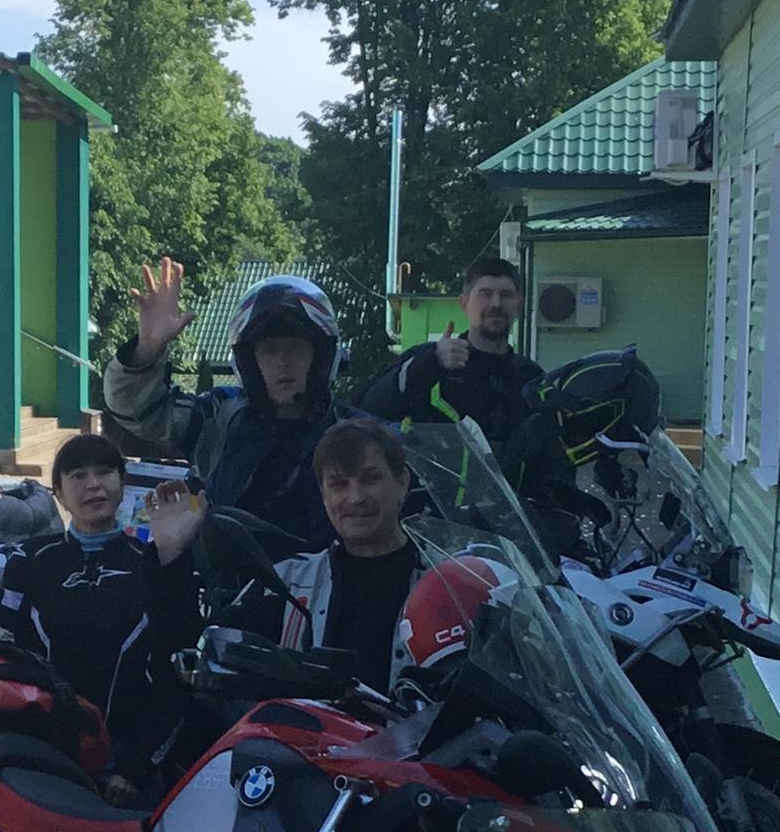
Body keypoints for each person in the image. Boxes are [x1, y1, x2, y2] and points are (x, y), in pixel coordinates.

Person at [0, 431, 204, 793]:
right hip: (41, 757)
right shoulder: (28, 562)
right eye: (78, 475)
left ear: (123, 484)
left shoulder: (154, 564)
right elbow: (3, 658)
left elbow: (178, 673)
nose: (93, 485)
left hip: (123, 770)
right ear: (58, 493)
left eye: (105, 472)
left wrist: (132, 769)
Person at [100, 260, 353, 555]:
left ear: (321, 356)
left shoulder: (357, 433)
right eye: (270, 350)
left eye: (295, 348)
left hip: (332, 580)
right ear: (249, 362)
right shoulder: (220, 417)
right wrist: (148, 348)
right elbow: (139, 411)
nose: (283, 362)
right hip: (231, 581)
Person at [264, 417, 431, 672]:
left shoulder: (448, 583)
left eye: (370, 479)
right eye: (339, 484)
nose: (355, 498)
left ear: (402, 483)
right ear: (323, 495)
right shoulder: (287, 582)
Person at [364, 253, 544, 448]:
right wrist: (431, 363)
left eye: (505, 295)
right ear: (464, 303)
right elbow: (369, 409)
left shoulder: (531, 378)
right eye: (485, 294)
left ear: (519, 305)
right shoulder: (427, 362)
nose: (496, 304)